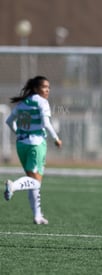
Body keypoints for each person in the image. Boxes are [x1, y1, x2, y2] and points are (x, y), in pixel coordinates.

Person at [4, 76, 62, 225]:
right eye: (44, 87)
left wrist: (18, 133)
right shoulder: (42, 102)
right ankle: (14, 186)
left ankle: (37, 215)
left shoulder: (23, 103)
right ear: (36, 89)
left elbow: (9, 121)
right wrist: (56, 138)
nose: (47, 90)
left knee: (32, 181)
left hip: (21, 144)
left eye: (48, 87)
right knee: (36, 182)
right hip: (36, 144)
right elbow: (46, 123)